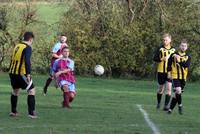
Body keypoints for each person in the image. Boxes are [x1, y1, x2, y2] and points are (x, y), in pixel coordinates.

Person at [8, 32, 37, 118]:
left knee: (15, 91)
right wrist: (28, 74)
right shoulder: (27, 47)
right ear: (31, 39)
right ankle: (31, 113)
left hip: (12, 72)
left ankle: (13, 112)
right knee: (31, 90)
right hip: (21, 73)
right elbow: (27, 61)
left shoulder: (17, 45)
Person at [167, 39, 191, 115]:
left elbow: (186, 65)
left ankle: (170, 109)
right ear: (180, 46)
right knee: (178, 90)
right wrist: (169, 73)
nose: (183, 47)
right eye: (182, 45)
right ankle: (180, 105)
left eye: (185, 46)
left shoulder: (188, 56)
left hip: (183, 78)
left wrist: (179, 61)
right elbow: (169, 64)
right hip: (175, 76)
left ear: (187, 47)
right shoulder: (173, 55)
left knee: (176, 95)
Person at [153, 33, 176, 110]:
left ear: (170, 40)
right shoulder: (160, 49)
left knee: (169, 88)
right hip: (161, 71)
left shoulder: (174, 50)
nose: (164, 41)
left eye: (166, 40)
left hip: (169, 72)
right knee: (160, 89)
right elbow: (155, 58)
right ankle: (159, 102)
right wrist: (162, 59)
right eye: (163, 40)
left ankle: (166, 106)